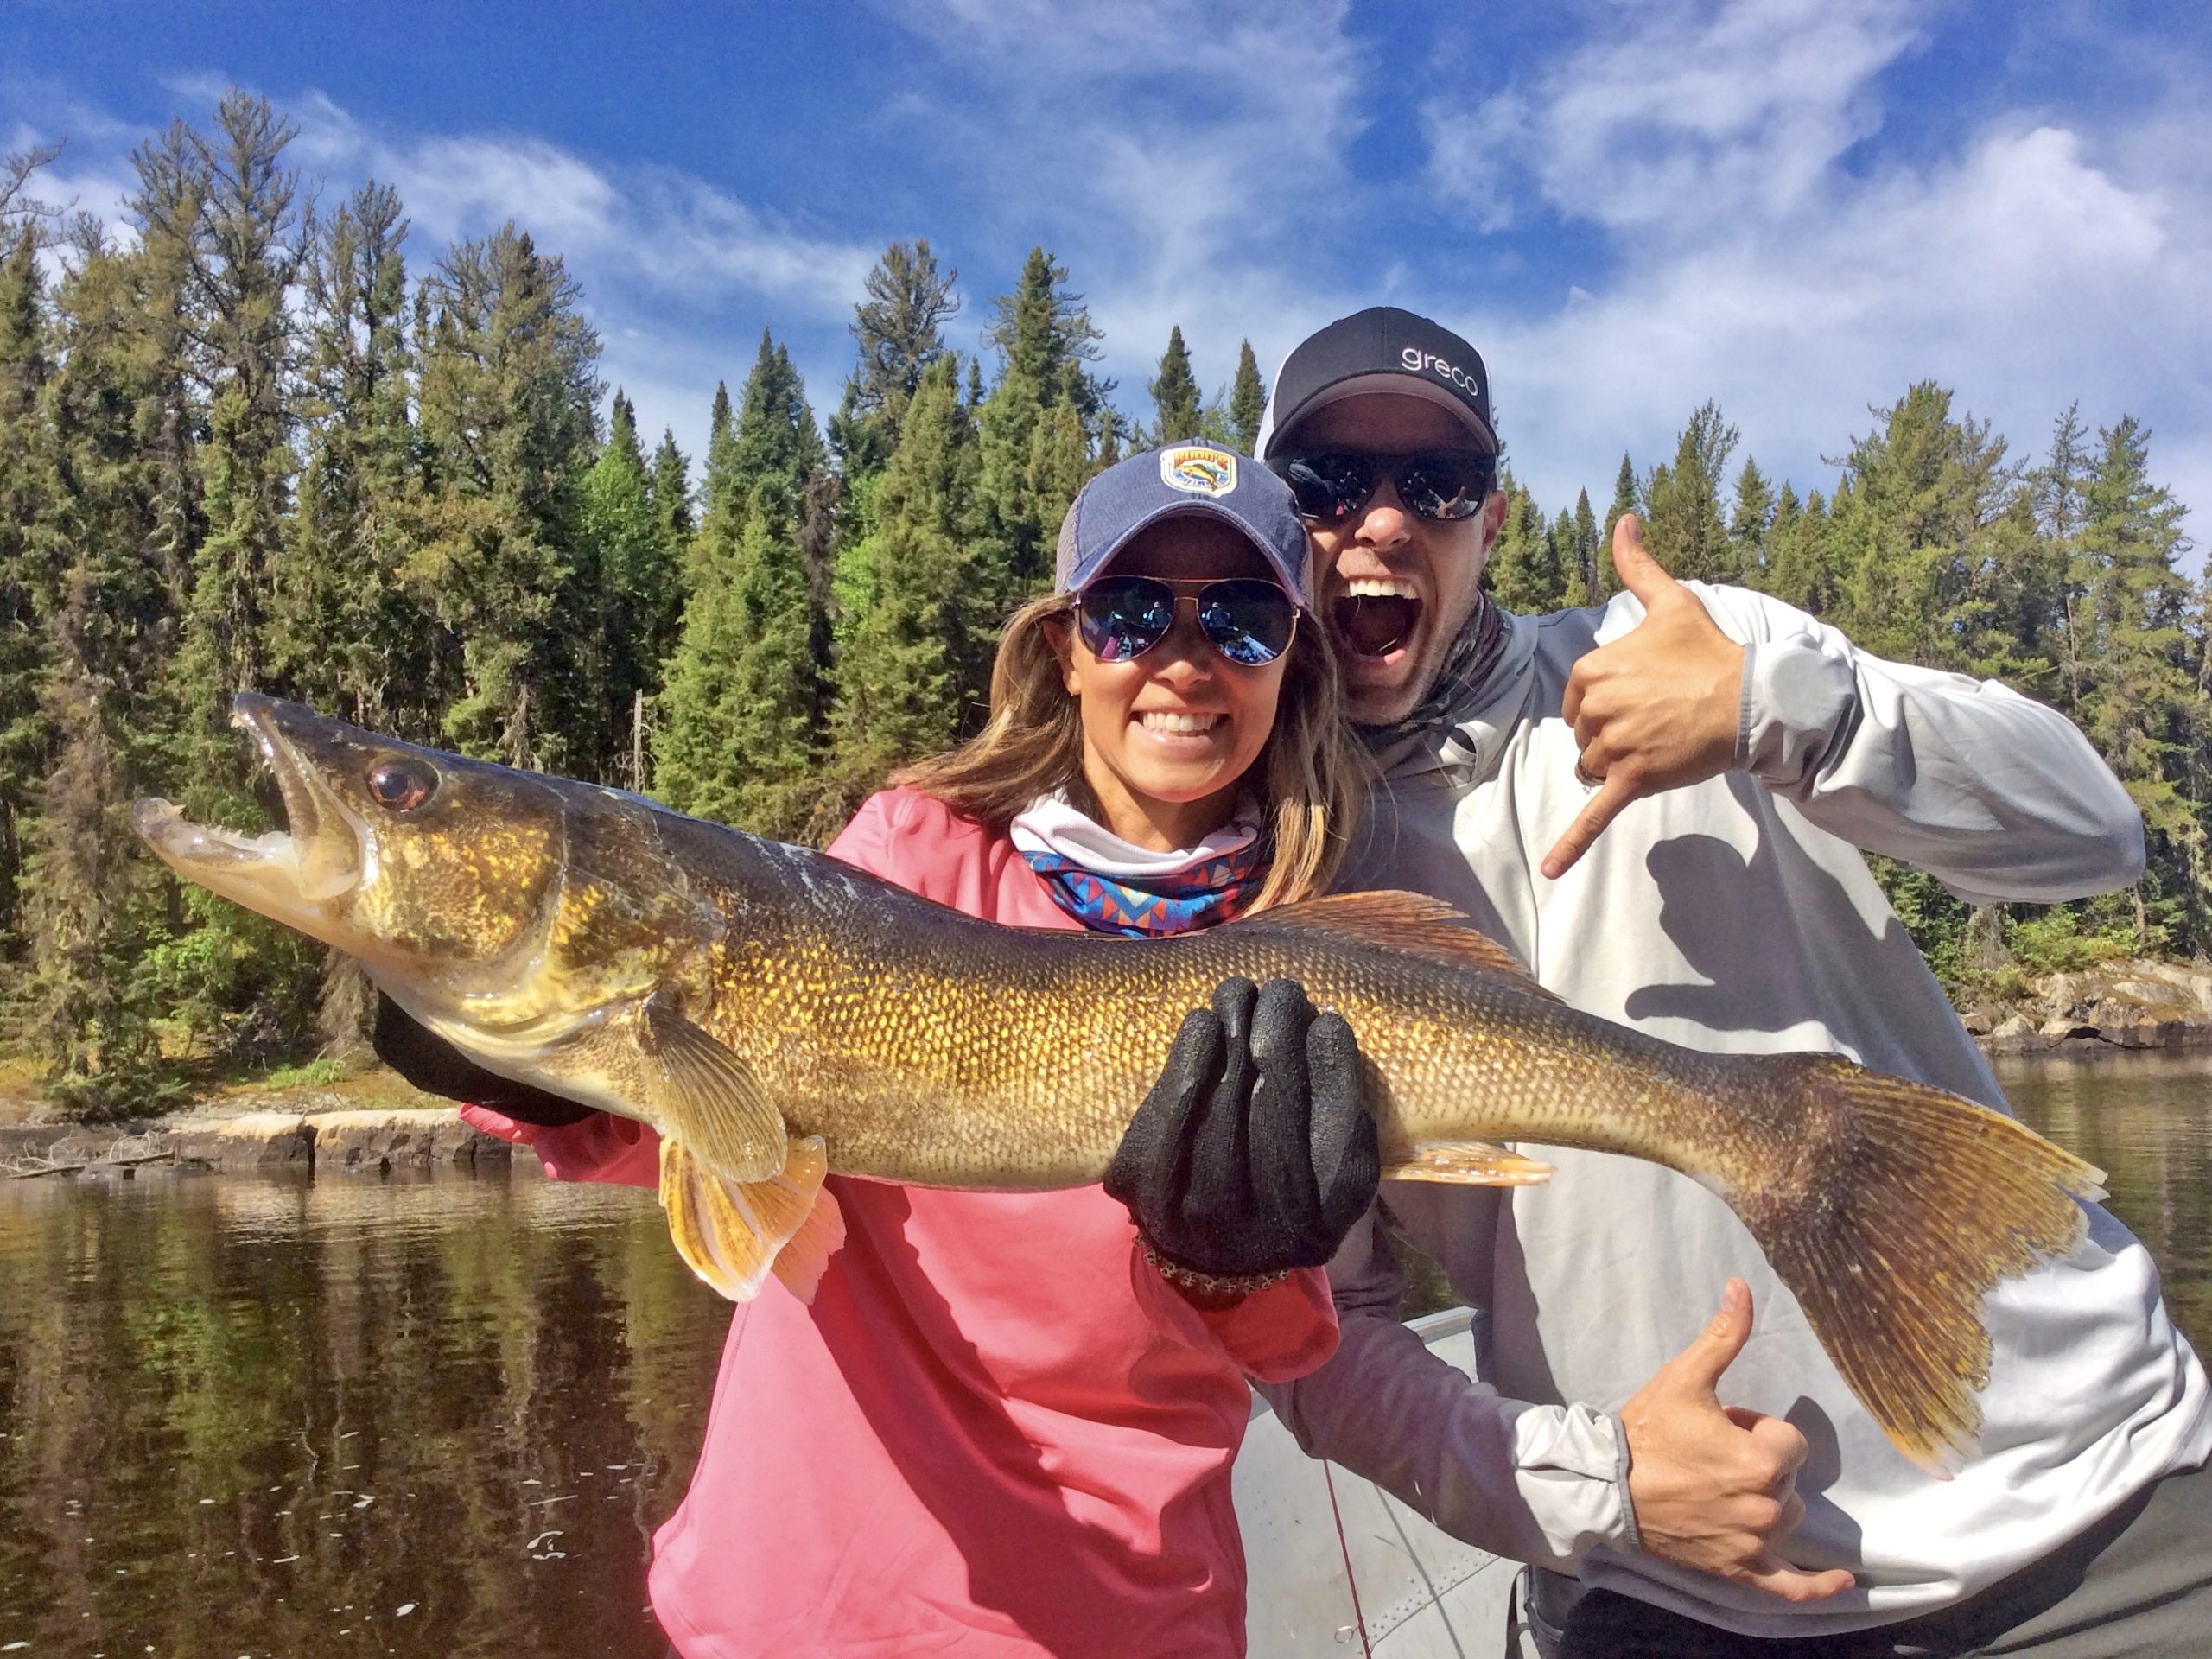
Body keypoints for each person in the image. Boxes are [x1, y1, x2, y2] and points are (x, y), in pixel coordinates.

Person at [1253, 308, 2212, 1656]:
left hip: (2095, 1529)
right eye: (1330, 483)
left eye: (1438, 484)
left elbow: (2093, 835)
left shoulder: (1702, 651)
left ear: (1493, 521)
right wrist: (1587, 1496)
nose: (1385, 522)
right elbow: (1328, 1329)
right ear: (1276, 517)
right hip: (1666, 1593)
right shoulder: (1272, 878)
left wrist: (1787, 707)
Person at [376, 442, 1383, 1659]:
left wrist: (1235, 1266)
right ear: (1064, 649)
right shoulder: (911, 852)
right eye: (1129, 613)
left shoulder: (1308, 958)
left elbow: (1284, 1341)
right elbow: (715, 1125)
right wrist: (520, 1075)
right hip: (801, 1610)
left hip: (1119, 1621)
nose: (1183, 659)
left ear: (1292, 662)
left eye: (1241, 618)